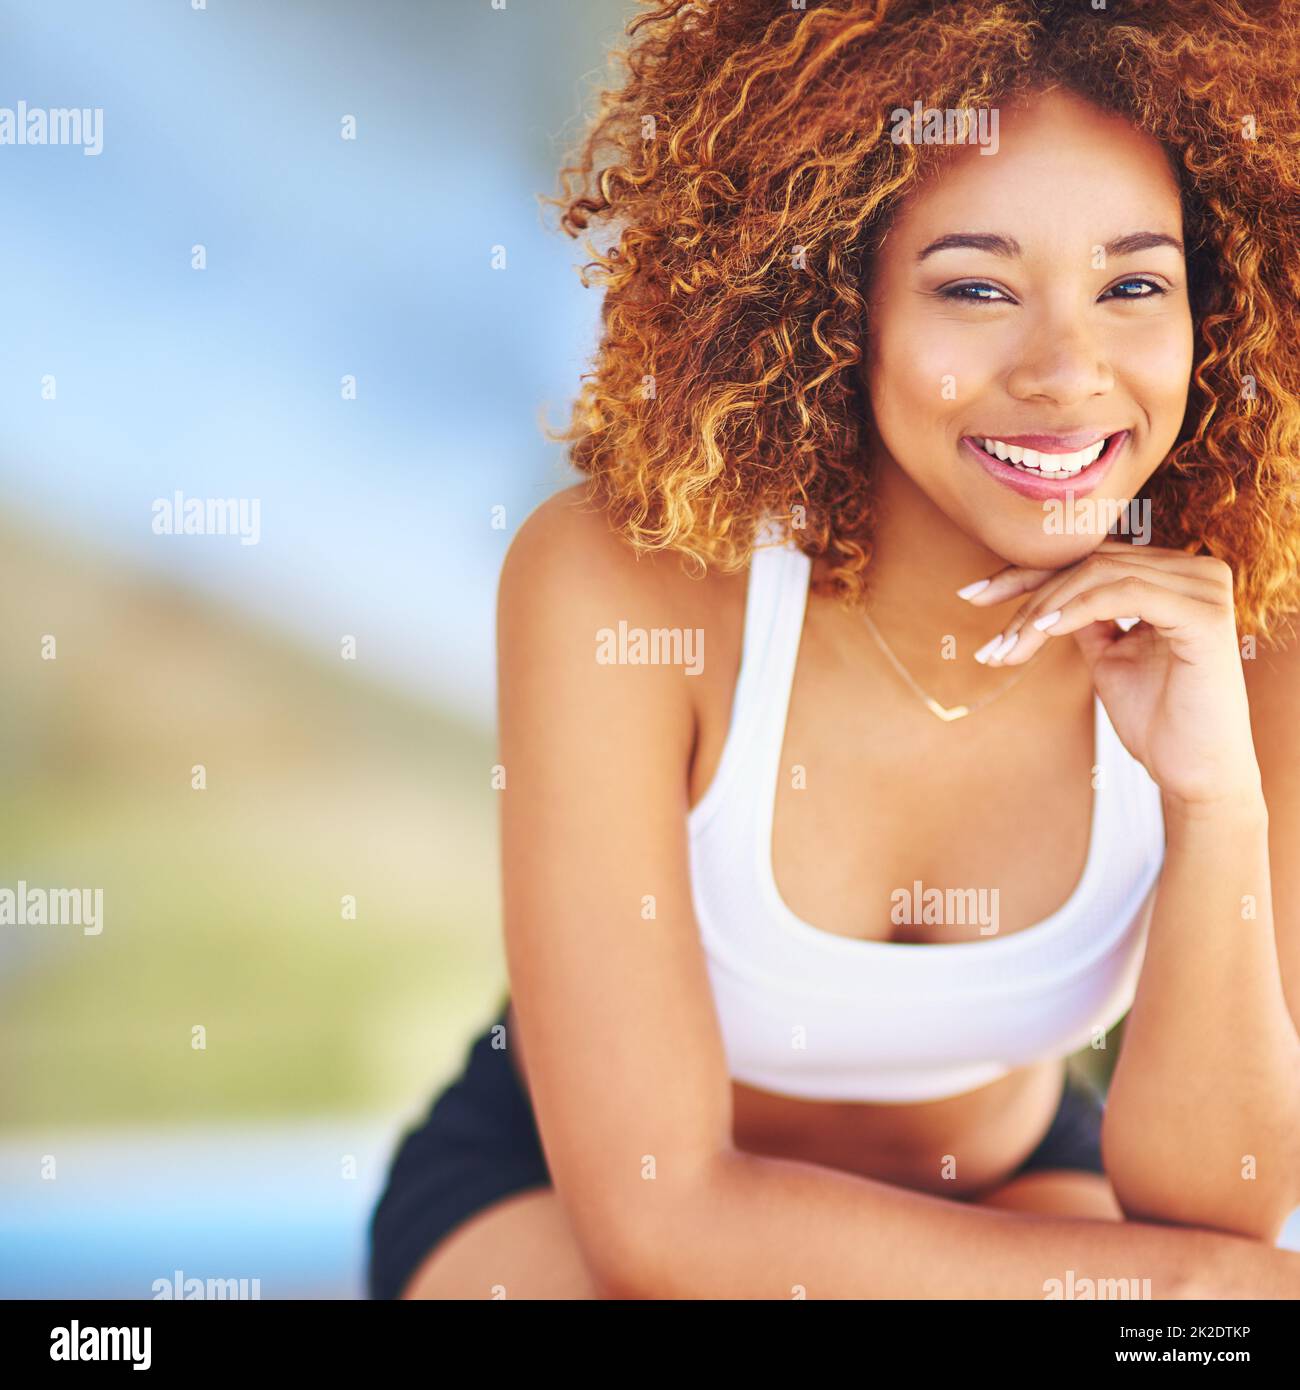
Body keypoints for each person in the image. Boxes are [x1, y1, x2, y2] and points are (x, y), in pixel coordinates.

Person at [371, 0, 1300, 1299]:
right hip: (571, 1197)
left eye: (1134, 284)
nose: (1069, 371)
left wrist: (1215, 797)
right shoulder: (618, 583)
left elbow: (1219, 1213)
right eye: (975, 287)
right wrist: (1161, 1296)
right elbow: (665, 1224)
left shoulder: (1255, 628)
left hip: (1009, 1192)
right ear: (827, 296)